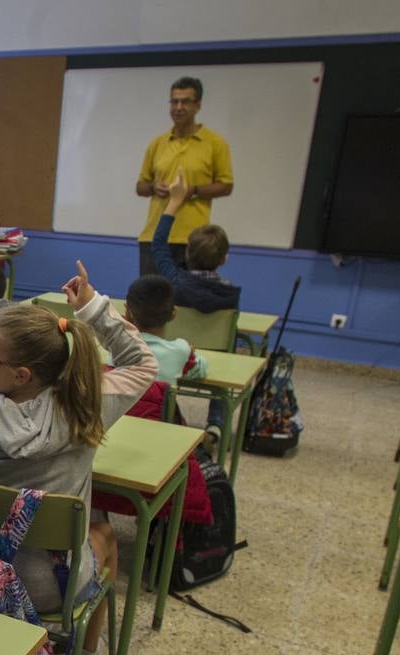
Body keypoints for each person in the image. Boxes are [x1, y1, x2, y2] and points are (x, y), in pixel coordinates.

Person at [0, 261, 157, 655]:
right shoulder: (84, 407)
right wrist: (94, 309)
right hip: (54, 585)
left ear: (21, 374)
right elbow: (142, 364)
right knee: (104, 533)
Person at [153, 169, 238, 449]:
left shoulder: (174, 281)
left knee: (162, 373)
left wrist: (173, 205)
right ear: (224, 259)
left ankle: (170, 418)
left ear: (187, 254)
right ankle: (215, 426)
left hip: (177, 355)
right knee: (226, 379)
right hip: (214, 359)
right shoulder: (230, 295)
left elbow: (158, 246)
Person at [135, 76, 233, 276]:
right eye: (174, 101)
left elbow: (226, 185)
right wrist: (154, 187)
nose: (178, 107)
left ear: (198, 106)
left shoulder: (215, 143)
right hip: (155, 236)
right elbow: (140, 186)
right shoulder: (158, 143)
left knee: (187, 302)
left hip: (194, 240)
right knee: (149, 301)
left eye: (185, 101)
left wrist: (193, 191)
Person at [123, 273, 208, 388]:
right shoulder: (180, 350)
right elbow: (201, 369)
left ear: (128, 312)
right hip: (159, 406)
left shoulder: (118, 348)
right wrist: (189, 355)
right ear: (173, 314)